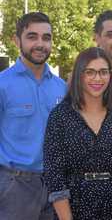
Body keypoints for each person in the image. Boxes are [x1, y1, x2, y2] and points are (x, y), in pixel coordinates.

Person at [44, 47, 112, 220]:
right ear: (79, 75)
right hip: (73, 209)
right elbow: (55, 177)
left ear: (110, 75)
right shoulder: (60, 117)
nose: (97, 78)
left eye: (103, 72)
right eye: (90, 72)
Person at [0, 12, 67, 220]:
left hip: (56, 187)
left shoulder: (62, 88)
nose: (40, 44)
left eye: (46, 38)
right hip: (15, 186)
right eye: (32, 36)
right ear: (16, 39)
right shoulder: (2, 84)